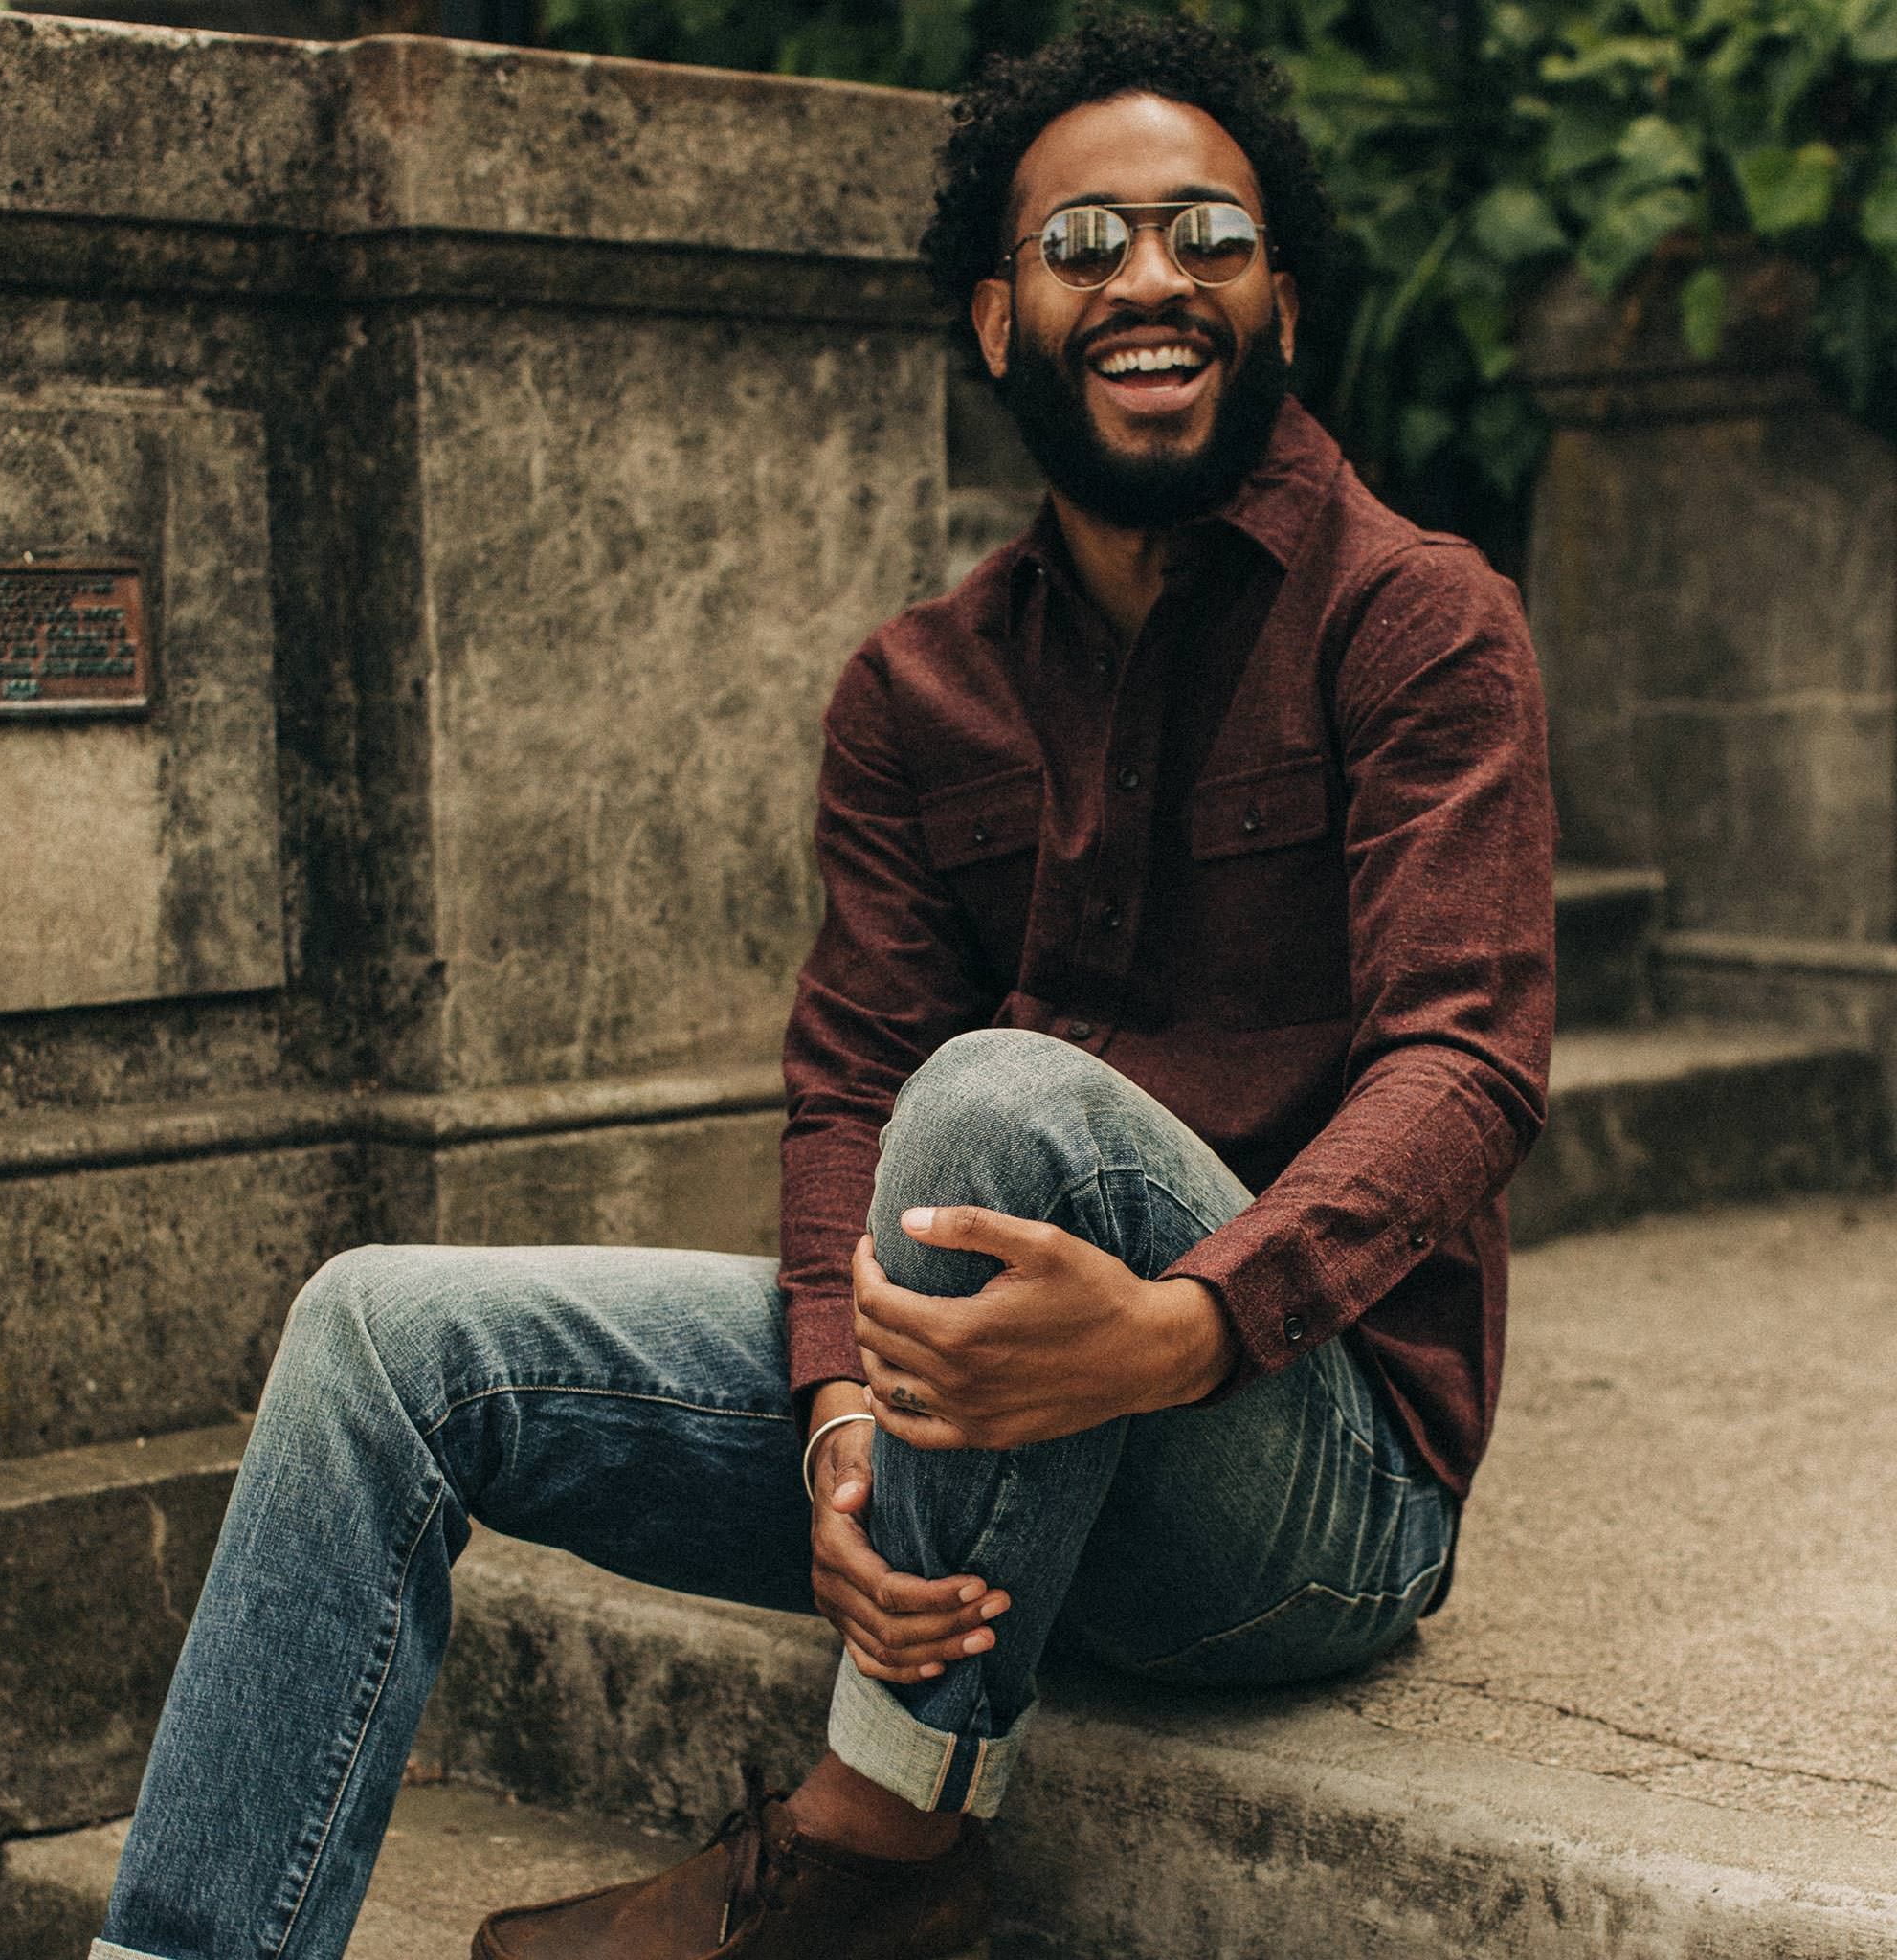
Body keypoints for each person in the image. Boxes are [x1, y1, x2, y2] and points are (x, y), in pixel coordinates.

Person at [89, 13, 1553, 1960]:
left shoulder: (1416, 619)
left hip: (1299, 1486)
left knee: (1002, 1102)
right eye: (1086, 241)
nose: (1150, 274)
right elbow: (845, 1087)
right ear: (998, 321)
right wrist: (842, 1420)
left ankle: (877, 1841)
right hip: (981, 1441)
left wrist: (1183, 1329)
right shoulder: (916, 689)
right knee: (378, 1332)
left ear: (1279, 299)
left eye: (1207, 232)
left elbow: (1468, 1059)